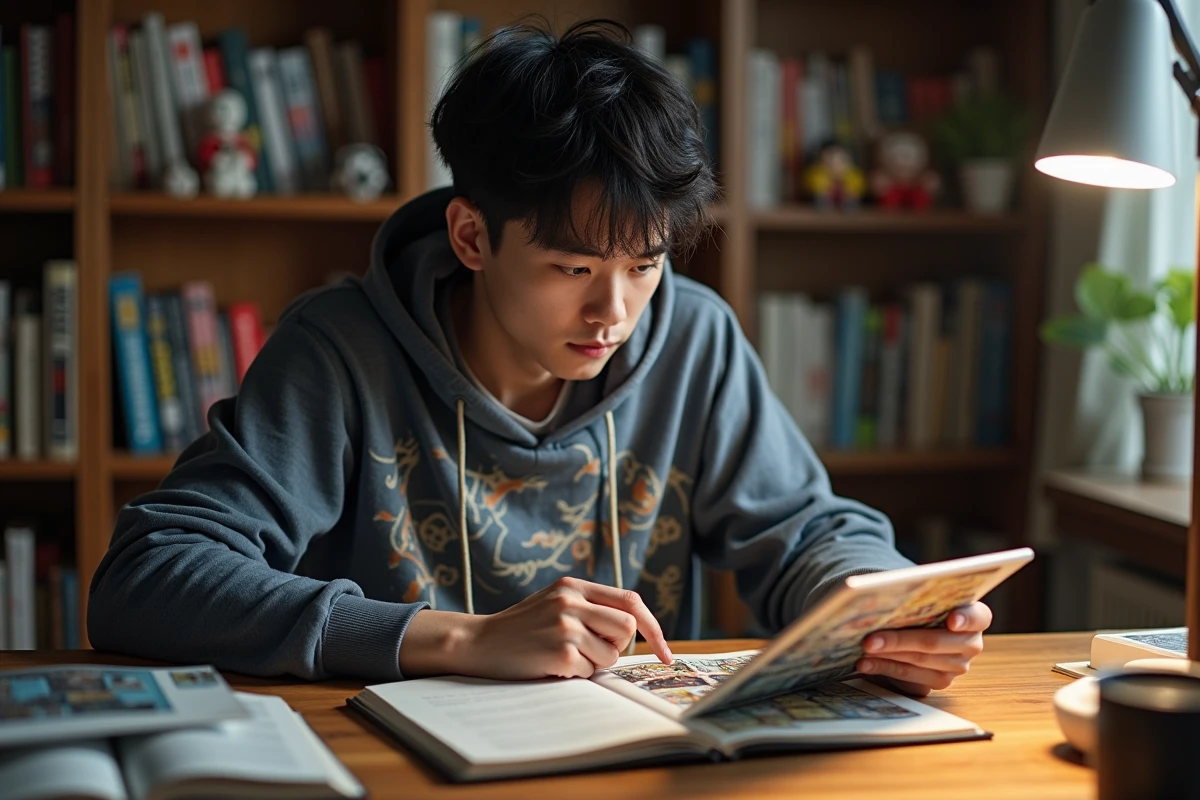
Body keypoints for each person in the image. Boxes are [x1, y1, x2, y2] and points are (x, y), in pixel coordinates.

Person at [88, 20, 990, 696]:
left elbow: (808, 532)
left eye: (646, 264)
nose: (615, 312)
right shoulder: (339, 349)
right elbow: (148, 576)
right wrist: (459, 638)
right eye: (572, 268)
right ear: (472, 235)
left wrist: (881, 609)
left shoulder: (694, 336)